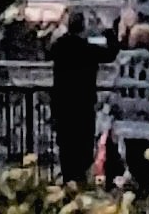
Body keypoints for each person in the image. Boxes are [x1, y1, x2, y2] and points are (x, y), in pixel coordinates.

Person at [45, 13, 108, 187]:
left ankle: (67, 179)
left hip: (62, 102)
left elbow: (46, 49)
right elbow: (111, 53)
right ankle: (80, 179)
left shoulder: (59, 46)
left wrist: (55, 30)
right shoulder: (88, 49)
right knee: (83, 144)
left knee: (65, 144)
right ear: (83, 28)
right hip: (83, 103)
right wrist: (107, 30)